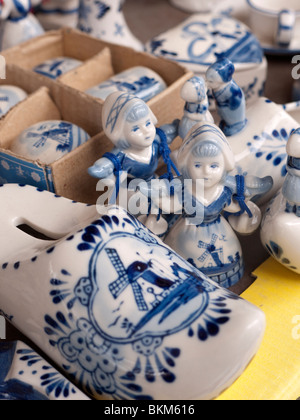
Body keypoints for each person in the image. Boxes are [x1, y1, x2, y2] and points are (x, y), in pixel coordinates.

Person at [206, 58, 247, 137]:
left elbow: (236, 100)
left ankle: (235, 125)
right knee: (224, 116)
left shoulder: (231, 89)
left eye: (210, 81)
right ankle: (226, 122)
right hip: (223, 108)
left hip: (232, 110)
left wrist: (227, 105)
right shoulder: (218, 87)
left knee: (232, 118)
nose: (207, 84)